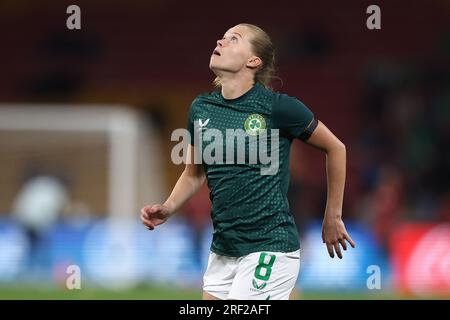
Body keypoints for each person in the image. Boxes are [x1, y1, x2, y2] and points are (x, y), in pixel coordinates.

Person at [140, 23, 355, 300]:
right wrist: (169, 207)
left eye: (233, 39)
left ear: (253, 61)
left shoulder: (277, 107)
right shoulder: (201, 108)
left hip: (270, 245)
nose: (220, 40)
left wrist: (332, 216)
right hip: (223, 249)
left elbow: (335, 148)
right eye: (222, 36)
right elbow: (194, 174)